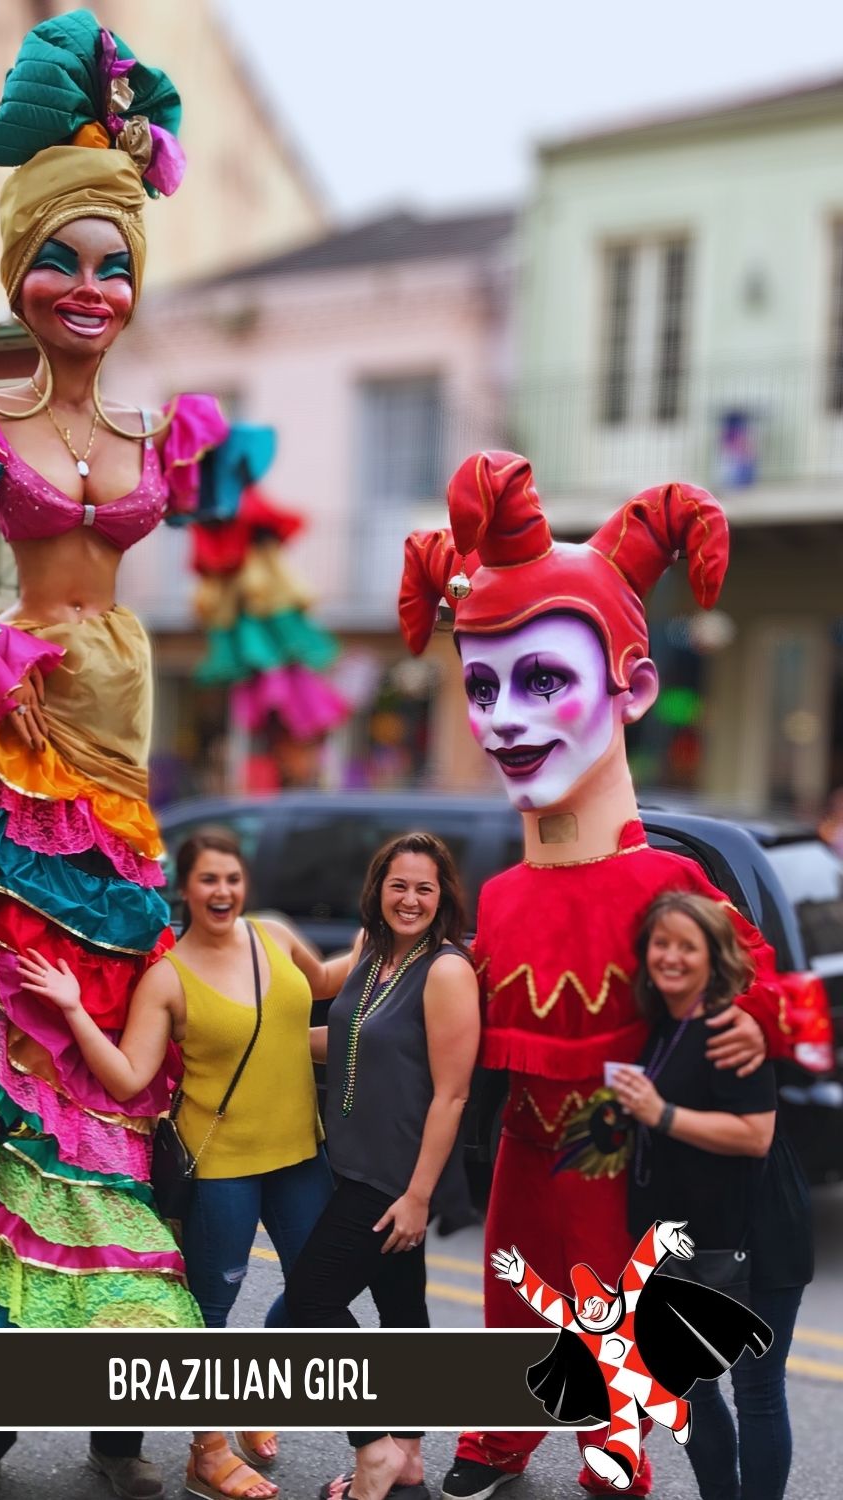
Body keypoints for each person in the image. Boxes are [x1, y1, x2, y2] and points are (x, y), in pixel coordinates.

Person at [0, 15, 276, 1498]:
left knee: (106, 1006)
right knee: (20, 1010)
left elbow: (224, 583)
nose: (90, 288)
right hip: (22, 721)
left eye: (115, 261)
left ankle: (118, 1343)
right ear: (17, 262)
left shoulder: (159, 427)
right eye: (61, 258)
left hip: (124, 726)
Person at [397, 452, 795, 1500]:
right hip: (522, 1144)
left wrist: (760, 1025)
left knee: (604, 1300)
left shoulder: (667, 880)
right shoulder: (496, 892)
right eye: (482, 684)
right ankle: (496, 1436)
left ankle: (609, 1449)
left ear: (634, 687)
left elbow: (756, 989)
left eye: (541, 680)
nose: (503, 721)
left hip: (620, 1149)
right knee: (507, 1292)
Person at [19, 827, 349, 1500]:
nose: (222, 891)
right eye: (208, 880)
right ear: (187, 889)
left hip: (300, 1155)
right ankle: (207, 1449)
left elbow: (321, 988)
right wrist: (76, 1009)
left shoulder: (276, 935)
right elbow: (127, 1076)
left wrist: (391, 940)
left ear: (244, 883)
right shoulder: (167, 979)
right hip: (220, 1165)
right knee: (210, 1312)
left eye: (231, 878)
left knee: (321, 1289)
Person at [280, 832, 481, 1500]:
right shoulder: (372, 955)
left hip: (394, 1174)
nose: (411, 899)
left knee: (311, 1302)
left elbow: (452, 1092)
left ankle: (373, 1452)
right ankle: (412, 1461)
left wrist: (419, 1195)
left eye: (425, 888)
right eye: (399, 885)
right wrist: (244, 1037)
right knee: (402, 1309)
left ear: (443, 896)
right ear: (379, 889)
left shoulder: (446, 970)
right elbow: (341, 1035)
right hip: (356, 1159)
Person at [613, 891, 813, 1500]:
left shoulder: (729, 1025)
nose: (671, 957)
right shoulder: (664, 1022)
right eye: (661, 943)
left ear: (712, 957)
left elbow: (755, 1136)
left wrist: (661, 1113)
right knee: (689, 1383)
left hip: (756, 1233)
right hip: (685, 1236)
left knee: (755, 1388)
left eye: (686, 946)